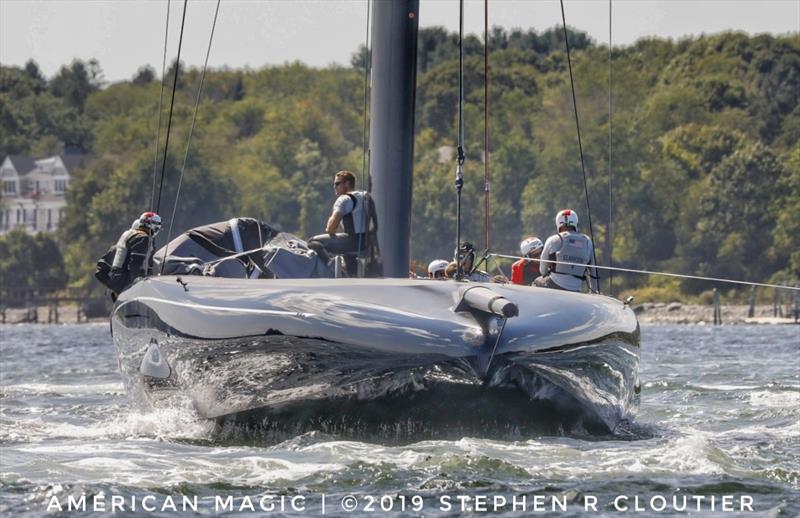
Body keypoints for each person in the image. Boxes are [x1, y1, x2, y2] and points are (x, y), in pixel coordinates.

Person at [307, 170, 375, 277]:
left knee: (312, 242)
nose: (334, 187)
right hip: (367, 242)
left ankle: (331, 264)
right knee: (347, 253)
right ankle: (350, 272)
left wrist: (330, 223)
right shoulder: (365, 196)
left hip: (353, 241)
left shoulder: (344, 199)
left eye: (337, 183)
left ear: (347, 184)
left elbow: (331, 228)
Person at [99, 211, 161, 298]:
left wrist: (112, 285)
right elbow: (135, 265)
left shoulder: (126, 235)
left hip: (117, 283)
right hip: (127, 284)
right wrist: (134, 288)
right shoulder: (143, 238)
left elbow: (100, 269)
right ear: (154, 226)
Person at [534, 209, 598, 292]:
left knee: (536, 282)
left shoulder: (553, 239)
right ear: (575, 223)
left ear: (558, 224)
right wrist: (593, 291)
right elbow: (593, 271)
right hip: (576, 288)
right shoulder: (587, 241)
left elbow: (542, 270)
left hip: (554, 284)